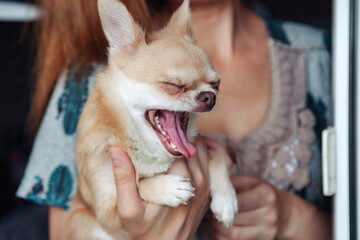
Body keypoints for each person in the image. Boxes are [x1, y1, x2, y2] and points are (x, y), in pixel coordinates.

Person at [17, 0, 332, 239]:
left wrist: (296, 219)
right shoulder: (93, 73)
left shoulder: (327, 54)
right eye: (174, 86)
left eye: (214, 87)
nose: (206, 97)